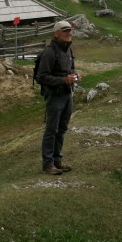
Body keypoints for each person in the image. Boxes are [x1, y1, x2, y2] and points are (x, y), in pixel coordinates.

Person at [36, 20, 79, 175]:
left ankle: (57, 161)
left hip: (67, 94)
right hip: (55, 96)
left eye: (70, 30)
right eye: (65, 31)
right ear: (56, 34)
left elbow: (70, 67)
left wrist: (74, 74)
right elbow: (41, 77)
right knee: (51, 130)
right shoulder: (49, 52)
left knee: (61, 129)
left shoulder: (68, 49)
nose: (69, 33)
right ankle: (48, 165)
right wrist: (62, 80)